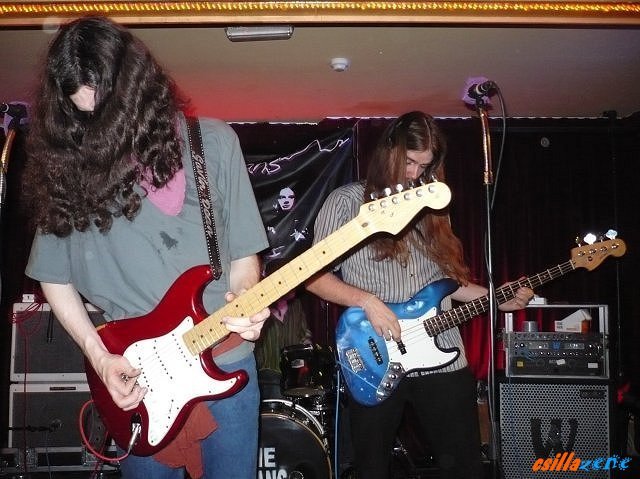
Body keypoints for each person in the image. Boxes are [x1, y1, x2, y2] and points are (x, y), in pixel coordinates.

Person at [22, 16, 270, 479]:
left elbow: (242, 259)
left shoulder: (212, 143)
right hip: (138, 378)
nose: (96, 127)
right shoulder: (69, 167)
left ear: (137, 88)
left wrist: (247, 299)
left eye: (106, 111)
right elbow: (53, 276)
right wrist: (99, 356)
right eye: (82, 114)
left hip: (225, 358)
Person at [305, 110, 535, 479]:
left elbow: (447, 282)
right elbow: (313, 277)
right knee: (372, 468)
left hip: (444, 354)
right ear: (389, 151)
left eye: (424, 166)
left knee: (465, 465)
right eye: (409, 162)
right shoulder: (347, 202)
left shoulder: (433, 207)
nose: (414, 174)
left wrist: (498, 296)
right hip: (375, 351)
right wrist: (367, 301)